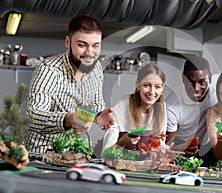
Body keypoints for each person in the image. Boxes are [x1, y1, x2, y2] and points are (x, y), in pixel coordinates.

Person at [24, 15, 115, 154]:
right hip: (41, 154)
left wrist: (98, 115)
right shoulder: (49, 70)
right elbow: (33, 117)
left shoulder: (96, 69)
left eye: (95, 45)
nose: (89, 52)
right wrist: (68, 120)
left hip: (73, 152)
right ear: (68, 42)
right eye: (82, 45)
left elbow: (95, 105)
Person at [102, 64, 168, 159]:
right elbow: (105, 155)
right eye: (146, 85)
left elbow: (160, 145)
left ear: (162, 88)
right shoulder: (119, 108)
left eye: (157, 87)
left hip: (144, 169)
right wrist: (123, 142)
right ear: (138, 85)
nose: (152, 92)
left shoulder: (162, 108)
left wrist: (165, 151)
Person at [165, 55, 217, 165]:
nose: (196, 88)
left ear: (210, 78)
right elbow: (168, 143)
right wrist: (180, 148)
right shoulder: (171, 105)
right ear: (183, 79)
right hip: (181, 144)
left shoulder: (220, 94)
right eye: (190, 82)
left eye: (202, 82)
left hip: (210, 143)